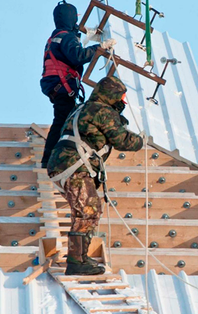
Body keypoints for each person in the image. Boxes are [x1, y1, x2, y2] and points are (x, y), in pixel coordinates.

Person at [47, 76, 143, 275]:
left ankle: (79, 258)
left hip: (63, 163)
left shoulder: (82, 108)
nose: (123, 102)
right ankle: (76, 262)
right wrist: (142, 140)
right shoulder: (102, 111)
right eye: (121, 98)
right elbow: (123, 140)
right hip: (75, 165)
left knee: (85, 211)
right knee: (88, 211)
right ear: (112, 95)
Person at [40, 1, 116, 168]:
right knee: (62, 122)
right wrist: (99, 47)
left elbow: (69, 51)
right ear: (71, 18)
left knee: (65, 120)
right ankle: (50, 160)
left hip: (56, 86)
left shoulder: (56, 36)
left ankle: (54, 158)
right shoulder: (66, 37)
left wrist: (86, 34)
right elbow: (78, 56)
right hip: (62, 87)